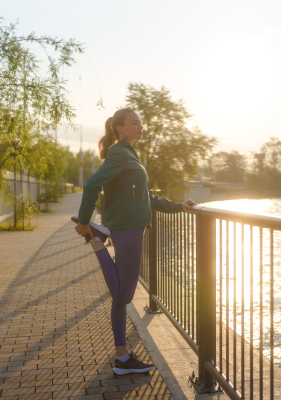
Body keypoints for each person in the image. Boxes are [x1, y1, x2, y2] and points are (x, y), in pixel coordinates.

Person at [74, 108, 196, 375]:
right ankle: (94, 237)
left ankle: (122, 359)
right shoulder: (119, 153)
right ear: (120, 128)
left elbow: (146, 198)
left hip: (129, 226)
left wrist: (179, 207)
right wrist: (83, 221)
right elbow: (92, 184)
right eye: (134, 123)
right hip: (128, 227)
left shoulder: (129, 154)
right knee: (123, 295)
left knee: (120, 300)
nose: (140, 126)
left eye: (140, 122)